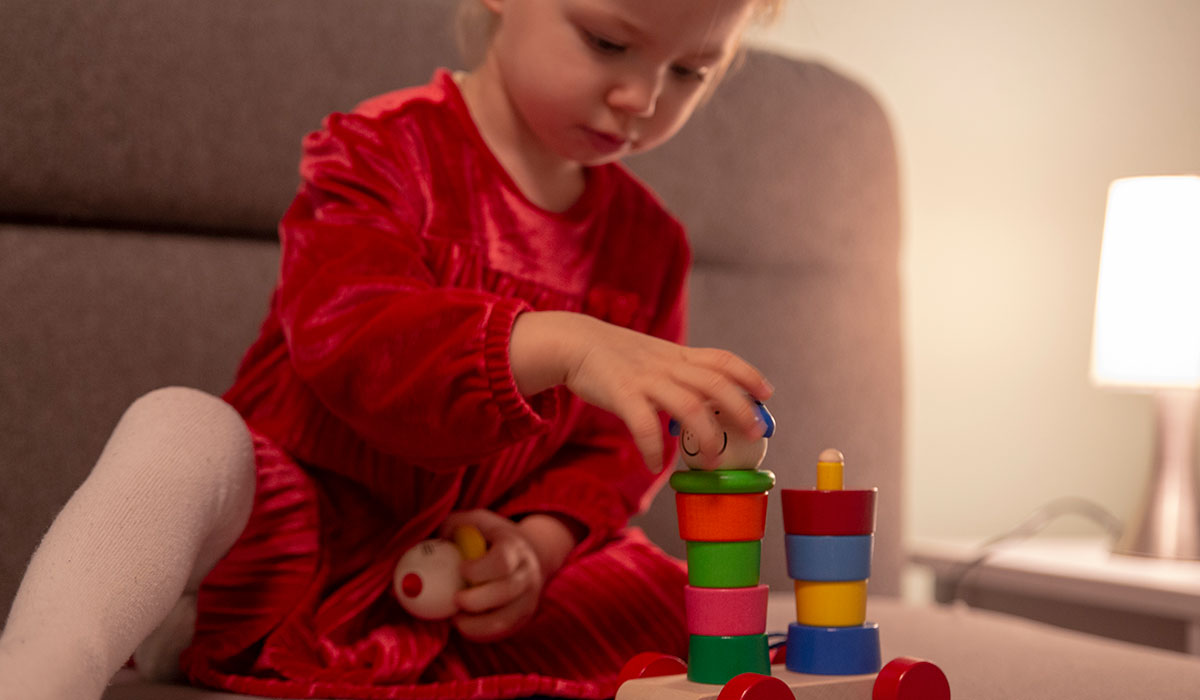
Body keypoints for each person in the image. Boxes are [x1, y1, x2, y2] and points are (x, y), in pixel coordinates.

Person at [0, 0, 782, 698]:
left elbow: (611, 453)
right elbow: (352, 340)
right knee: (183, 428)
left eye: (689, 71)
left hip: (463, 570)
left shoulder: (651, 247)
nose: (640, 100)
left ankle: (261, 637)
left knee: (683, 607)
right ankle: (45, 670)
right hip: (304, 523)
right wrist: (561, 344)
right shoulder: (379, 152)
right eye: (608, 43)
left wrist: (535, 549)